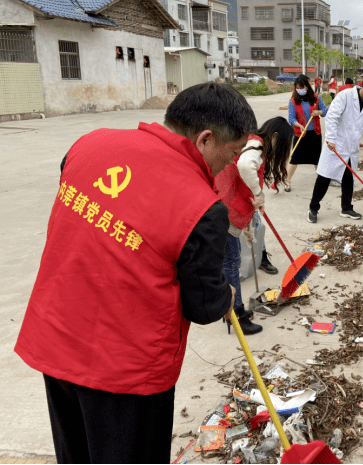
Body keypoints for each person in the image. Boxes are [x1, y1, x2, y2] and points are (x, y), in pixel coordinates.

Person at [14, 82, 257, 463]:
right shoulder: (203, 207)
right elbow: (204, 306)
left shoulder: (88, 144)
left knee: (76, 454)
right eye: (231, 154)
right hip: (126, 372)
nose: (230, 166)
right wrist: (225, 295)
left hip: (57, 342)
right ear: (205, 139)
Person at [215, 117, 293, 335]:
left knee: (229, 259)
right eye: (283, 146)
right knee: (231, 262)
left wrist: (248, 226)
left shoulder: (253, 143)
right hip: (226, 209)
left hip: (229, 208)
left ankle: (231, 308)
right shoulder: (256, 147)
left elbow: (243, 186)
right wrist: (259, 194)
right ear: (275, 137)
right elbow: (244, 166)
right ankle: (236, 314)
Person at [308, 78, 363, 223]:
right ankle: (313, 208)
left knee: (349, 179)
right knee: (324, 177)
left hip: (351, 147)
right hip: (336, 144)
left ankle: (347, 208)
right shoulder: (345, 96)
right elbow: (331, 117)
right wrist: (331, 139)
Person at [285, 74, 328, 192]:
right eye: (298, 87)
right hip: (300, 134)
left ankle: (319, 182)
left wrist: (318, 112)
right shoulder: (293, 101)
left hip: (315, 133)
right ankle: (287, 181)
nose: (300, 90)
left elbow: (325, 111)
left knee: (317, 159)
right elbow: (291, 118)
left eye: (302, 87)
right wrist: (298, 125)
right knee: (294, 159)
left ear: (307, 87)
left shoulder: (316, 98)